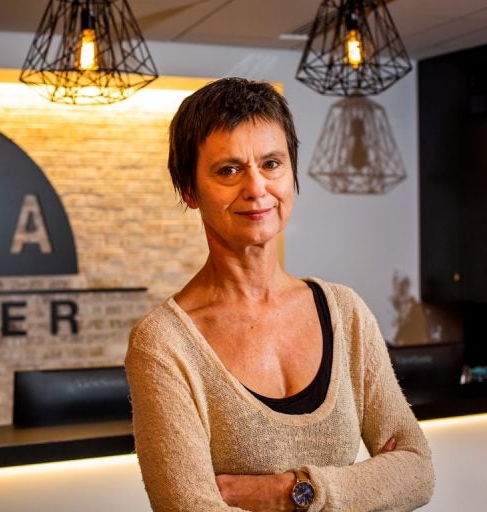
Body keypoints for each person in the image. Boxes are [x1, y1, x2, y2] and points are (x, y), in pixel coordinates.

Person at [124, 77, 434, 511]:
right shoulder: (163, 344)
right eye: (228, 170)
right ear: (189, 190)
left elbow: (416, 471)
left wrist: (292, 492)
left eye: (271, 164)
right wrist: (361, 487)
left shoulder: (344, 312)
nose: (256, 188)